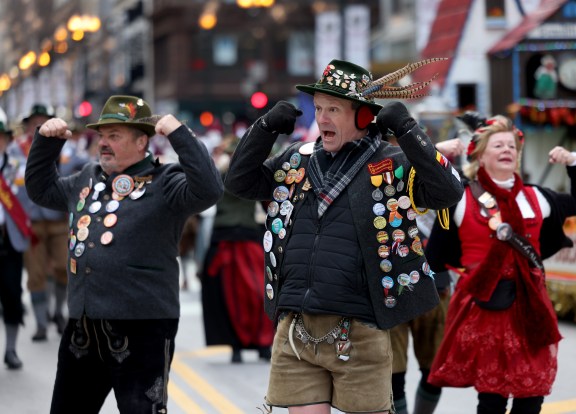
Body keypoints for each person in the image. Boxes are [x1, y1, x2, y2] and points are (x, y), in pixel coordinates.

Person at [225, 59, 464, 414]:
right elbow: (238, 182)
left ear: (364, 117)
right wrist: (265, 128)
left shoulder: (393, 162)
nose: (322, 118)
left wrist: (407, 128)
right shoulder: (297, 160)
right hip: (297, 330)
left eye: (333, 109)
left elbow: (448, 191)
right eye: (319, 108)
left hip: (361, 331)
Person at [24, 95, 223, 413]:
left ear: (142, 141)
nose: (103, 143)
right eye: (102, 136)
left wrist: (179, 133)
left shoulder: (166, 182)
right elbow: (41, 190)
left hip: (142, 327)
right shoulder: (89, 177)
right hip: (84, 326)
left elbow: (210, 189)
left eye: (114, 136)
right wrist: (46, 144)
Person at [425, 114, 576, 414]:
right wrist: (434, 153)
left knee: (532, 397)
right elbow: (435, 257)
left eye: (511, 146)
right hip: (485, 308)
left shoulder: (537, 197)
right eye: (497, 144)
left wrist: (573, 161)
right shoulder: (460, 200)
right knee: (492, 397)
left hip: (531, 306)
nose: (507, 149)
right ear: (479, 155)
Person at [388, 136, 466, 414]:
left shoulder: (445, 176)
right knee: (392, 372)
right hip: (391, 289)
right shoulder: (382, 175)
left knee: (435, 369)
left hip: (437, 286)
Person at [199, 136, 274, 364]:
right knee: (229, 297)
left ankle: (260, 344)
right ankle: (238, 345)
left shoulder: (252, 175)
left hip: (247, 237)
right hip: (225, 239)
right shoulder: (222, 176)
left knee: (257, 293)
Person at [8, 103, 74, 341]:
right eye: (34, 119)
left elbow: (87, 166)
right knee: (35, 274)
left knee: (63, 268)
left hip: (58, 220)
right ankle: (41, 323)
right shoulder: (14, 152)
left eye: (43, 118)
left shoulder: (69, 148)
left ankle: (58, 312)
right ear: (27, 125)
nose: (39, 123)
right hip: (30, 222)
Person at [0, 107, 33, 370]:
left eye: (1, 136)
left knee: (12, 294)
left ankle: (11, 349)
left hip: (10, 240)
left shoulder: (17, 168)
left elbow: (31, 198)